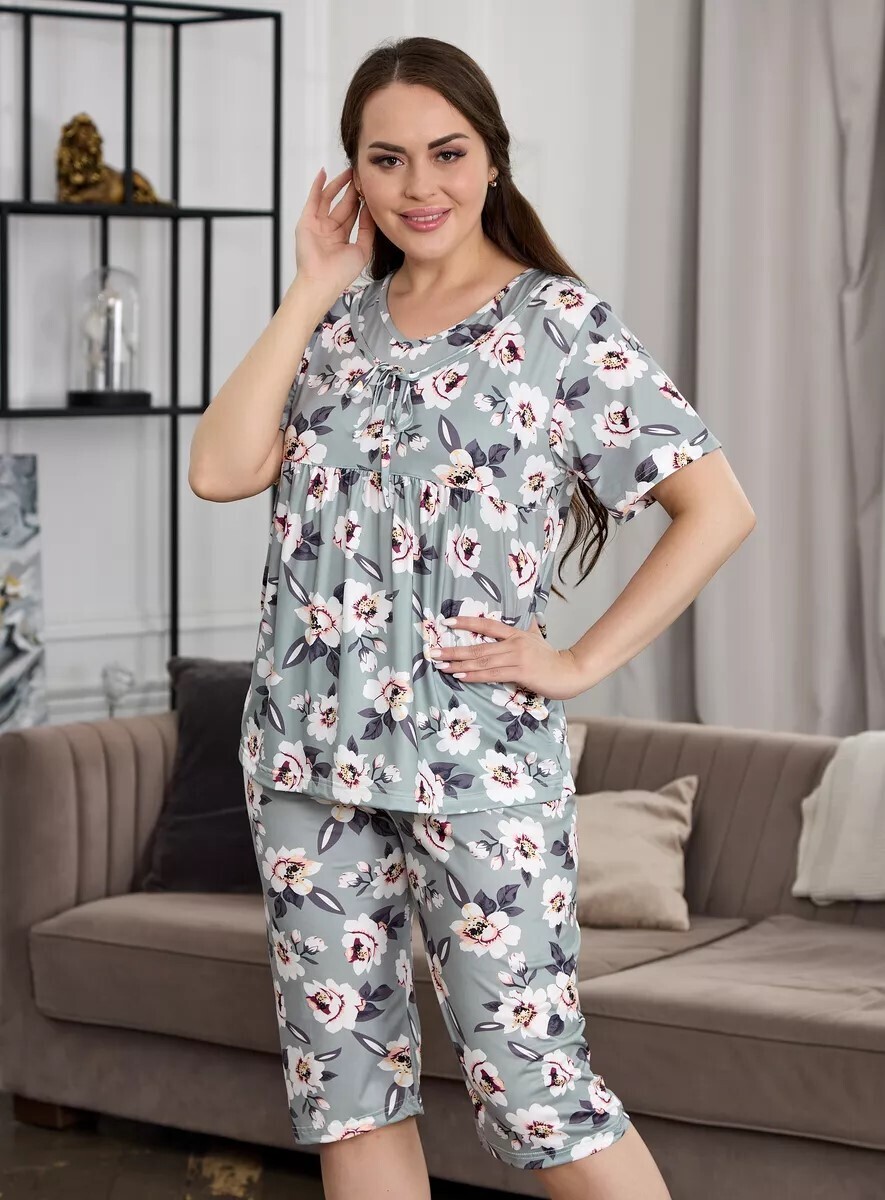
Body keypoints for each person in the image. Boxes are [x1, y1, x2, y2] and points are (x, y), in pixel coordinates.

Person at [189, 34, 755, 1200]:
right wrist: (310, 286)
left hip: (479, 764)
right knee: (349, 1099)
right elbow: (220, 468)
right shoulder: (330, 330)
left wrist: (579, 660)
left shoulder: (559, 326)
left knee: (537, 1091)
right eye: (386, 159)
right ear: (353, 173)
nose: (419, 187)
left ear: (492, 159)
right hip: (303, 759)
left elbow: (717, 508)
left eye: (446, 153)